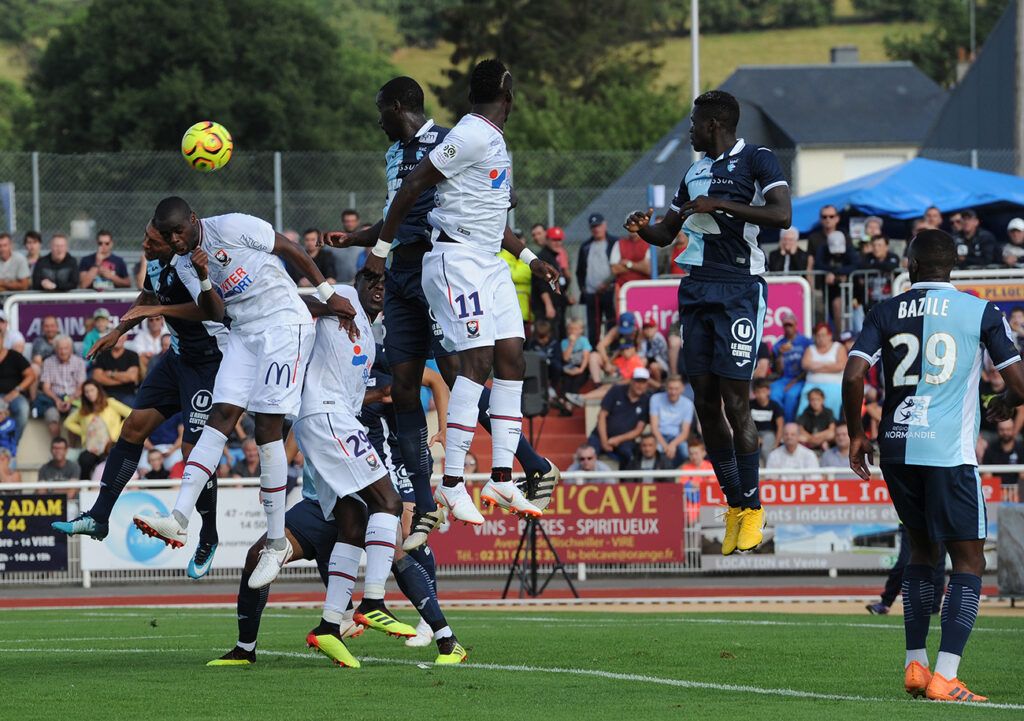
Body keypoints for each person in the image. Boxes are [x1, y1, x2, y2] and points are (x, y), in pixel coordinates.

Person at [321, 75, 559, 550]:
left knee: (459, 370)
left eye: (379, 110)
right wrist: (357, 240)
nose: (377, 119)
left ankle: (526, 464)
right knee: (405, 386)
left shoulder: (452, 139)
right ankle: (426, 505)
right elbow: (398, 210)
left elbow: (493, 213)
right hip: (401, 278)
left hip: (444, 269)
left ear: (396, 106)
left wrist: (529, 258)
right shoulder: (393, 155)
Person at [131, 196, 354, 589]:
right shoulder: (184, 263)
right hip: (243, 335)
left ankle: (275, 542)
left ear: (193, 221)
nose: (175, 241)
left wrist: (325, 292)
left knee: (266, 430)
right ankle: (179, 518)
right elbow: (215, 312)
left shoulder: (232, 226)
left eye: (178, 232)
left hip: (284, 325)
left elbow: (290, 248)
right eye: (168, 236)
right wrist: (202, 278)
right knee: (218, 420)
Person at [844, 228, 1024, 703]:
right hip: (947, 452)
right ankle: (946, 676)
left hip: (897, 449)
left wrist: (856, 435)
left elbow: (854, 373)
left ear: (913, 264)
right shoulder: (981, 310)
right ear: (952, 266)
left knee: (922, 553)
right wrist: (1004, 403)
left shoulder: (884, 310)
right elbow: (1021, 384)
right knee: (968, 559)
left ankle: (916, 667)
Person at [625, 89, 791, 555]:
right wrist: (644, 227)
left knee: (737, 403)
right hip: (696, 288)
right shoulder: (693, 171)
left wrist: (720, 205)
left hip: (739, 287)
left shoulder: (758, 159)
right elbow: (668, 232)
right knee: (704, 402)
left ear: (714, 125)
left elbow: (782, 215)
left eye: (694, 123)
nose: (690, 130)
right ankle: (736, 504)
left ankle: (754, 509)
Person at [52, 226, 227, 578]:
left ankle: (208, 535)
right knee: (131, 428)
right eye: (145, 235)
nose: (144, 244)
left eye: (151, 240)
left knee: (192, 452)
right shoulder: (155, 262)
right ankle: (99, 518)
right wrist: (118, 331)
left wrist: (155, 312)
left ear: (171, 241)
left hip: (208, 364)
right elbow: (147, 298)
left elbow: (210, 311)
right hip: (176, 360)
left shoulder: (190, 266)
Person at [866, 524, 946, 617]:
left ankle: (933, 610)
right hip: (911, 519)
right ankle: (885, 603)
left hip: (938, 521)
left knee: (937, 565)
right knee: (904, 563)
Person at [63, 380, 132, 479]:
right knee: (84, 461)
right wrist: (84, 432)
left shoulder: (110, 402)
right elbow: (67, 422)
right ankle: (85, 490)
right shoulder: (83, 409)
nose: (89, 394)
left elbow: (130, 414)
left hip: (109, 446)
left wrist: (118, 431)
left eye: (92, 390)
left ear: (98, 390)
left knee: (109, 467)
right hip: (91, 448)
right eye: (86, 391)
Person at [587, 367, 650, 467]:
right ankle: (586, 482)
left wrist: (618, 439)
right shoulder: (616, 391)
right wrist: (604, 441)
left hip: (624, 440)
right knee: (588, 455)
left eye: (643, 382)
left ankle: (627, 482)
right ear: (631, 381)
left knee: (630, 456)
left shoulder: (646, 400)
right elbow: (602, 416)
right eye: (637, 381)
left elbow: (639, 430)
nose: (640, 385)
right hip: (600, 436)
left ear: (647, 384)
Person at [576, 213, 617, 347]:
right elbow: (580, 270)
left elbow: (617, 267)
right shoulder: (586, 246)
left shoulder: (614, 243)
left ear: (605, 226)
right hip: (592, 294)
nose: (596, 229)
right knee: (593, 326)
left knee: (612, 323)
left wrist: (609, 283)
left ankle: (613, 350)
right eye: (593, 227)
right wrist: (583, 288)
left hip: (610, 292)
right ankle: (593, 352)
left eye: (598, 226)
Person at [35, 335, 87, 438]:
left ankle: (72, 449)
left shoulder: (79, 362)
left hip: (74, 398)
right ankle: (58, 447)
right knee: (52, 418)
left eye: (66, 348)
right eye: (60, 349)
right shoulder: (48, 362)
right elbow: (46, 387)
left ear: (71, 349)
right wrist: (57, 400)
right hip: (54, 398)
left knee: (74, 419)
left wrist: (70, 400)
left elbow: (81, 388)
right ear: (55, 349)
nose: (63, 352)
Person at [798, 323, 847, 419]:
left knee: (833, 396)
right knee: (805, 399)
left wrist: (816, 367)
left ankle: (832, 423)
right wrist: (829, 365)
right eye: (818, 335)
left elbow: (841, 366)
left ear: (830, 335)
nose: (821, 338)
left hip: (834, 385)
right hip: (811, 385)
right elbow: (805, 364)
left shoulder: (839, 347)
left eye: (823, 335)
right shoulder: (810, 349)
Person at [770, 311, 812, 422]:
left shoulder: (806, 342)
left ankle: (788, 426)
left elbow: (808, 367)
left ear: (796, 325)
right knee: (773, 393)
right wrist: (780, 354)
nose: (788, 328)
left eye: (790, 325)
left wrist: (793, 382)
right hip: (784, 378)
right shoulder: (779, 344)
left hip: (801, 379)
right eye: (786, 325)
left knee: (791, 396)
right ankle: (778, 424)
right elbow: (779, 371)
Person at [816, 230, 859, 330]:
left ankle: (845, 335)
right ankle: (839, 336)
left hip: (852, 289)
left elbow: (855, 264)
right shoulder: (823, 249)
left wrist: (838, 272)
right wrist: (834, 272)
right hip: (830, 288)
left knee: (848, 311)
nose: (837, 254)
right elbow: (818, 264)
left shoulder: (849, 250)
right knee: (833, 310)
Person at [648, 374, 694, 468]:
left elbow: (685, 432)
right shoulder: (655, 399)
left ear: (682, 389)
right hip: (658, 436)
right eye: (670, 388)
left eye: (676, 389)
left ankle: (668, 470)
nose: (673, 392)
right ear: (666, 388)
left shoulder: (688, 404)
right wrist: (665, 445)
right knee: (654, 449)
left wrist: (672, 444)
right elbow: (654, 427)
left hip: (676, 437)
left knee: (685, 451)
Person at [531, 226, 568, 339]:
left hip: (555, 307)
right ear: (547, 240)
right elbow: (541, 284)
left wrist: (566, 297)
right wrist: (548, 305)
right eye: (554, 240)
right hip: (545, 309)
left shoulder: (553, 257)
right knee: (546, 338)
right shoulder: (543, 257)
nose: (557, 243)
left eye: (559, 240)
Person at [0, 330, 33, 449]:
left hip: (14, 395)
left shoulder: (14, 356)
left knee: (23, 409)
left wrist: (17, 390)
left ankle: (11, 447)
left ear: (3, 340)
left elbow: (31, 376)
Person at [90, 333, 141, 405]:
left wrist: (111, 374)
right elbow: (97, 378)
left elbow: (132, 377)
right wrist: (123, 380)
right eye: (116, 337)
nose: (118, 340)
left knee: (131, 411)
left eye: (121, 337)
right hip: (106, 394)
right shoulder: (102, 355)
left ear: (125, 339)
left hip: (127, 394)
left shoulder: (132, 355)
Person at [981, 419, 1024, 494]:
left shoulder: (1021, 449)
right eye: (1002, 430)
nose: (1005, 433)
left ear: (1013, 429)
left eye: (1008, 429)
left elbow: (1022, 476)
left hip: (1017, 494)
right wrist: (999, 494)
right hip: (996, 493)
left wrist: (1013, 494)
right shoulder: (991, 449)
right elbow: (987, 476)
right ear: (997, 430)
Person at [750, 378, 783, 464]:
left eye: (763, 391)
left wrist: (776, 443)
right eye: (758, 392)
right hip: (753, 433)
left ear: (769, 391)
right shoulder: (750, 405)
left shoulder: (775, 405)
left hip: (769, 433)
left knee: (766, 447)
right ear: (754, 393)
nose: (761, 395)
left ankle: (769, 471)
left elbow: (780, 426)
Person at [560, 317, 591, 404]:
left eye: (576, 329)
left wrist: (581, 370)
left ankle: (572, 400)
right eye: (571, 329)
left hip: (582, 367)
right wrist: (571, 343)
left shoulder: (584, 340)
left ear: (581, 330)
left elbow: (586, 357)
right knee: (566, 381)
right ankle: (562, 400)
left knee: (576, 381)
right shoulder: (564, 342)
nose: (573, 331)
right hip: (569, 367)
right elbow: (566, 358)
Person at [610, 229, 651, 294]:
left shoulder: (649, 244)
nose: (634, 230)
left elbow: (648, 269)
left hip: (644, 289)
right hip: (623, 290)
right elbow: (614, 269)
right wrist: (640, 266)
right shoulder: (619, 243)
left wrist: (629, 264)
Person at [797, 388, 836, 452]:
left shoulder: (828, 412)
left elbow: (832, 428)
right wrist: (811, 437)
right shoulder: (806, 412)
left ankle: (815, 445)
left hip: (822, 437)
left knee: (832, 434)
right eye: (812, 400)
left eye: (818, 399)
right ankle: (819, 445)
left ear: (823, 400)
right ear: (809, 401)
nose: (815, 402)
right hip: (809, 437)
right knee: (798, 436)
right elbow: (800, 428)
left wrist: (817, 435)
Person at [638, 321, 669, 386]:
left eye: (650, 327)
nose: (648, 330)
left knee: (653, 366)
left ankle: (660, 386)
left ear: (656, 328)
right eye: (645, 328)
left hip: (662, 367)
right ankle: (646, 384)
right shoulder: (645, 340)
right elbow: (640, 355)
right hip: (650, 366)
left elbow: (651, 354)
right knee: (642, 362)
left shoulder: (658, 337)